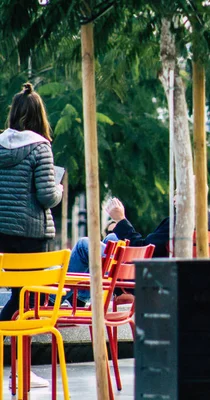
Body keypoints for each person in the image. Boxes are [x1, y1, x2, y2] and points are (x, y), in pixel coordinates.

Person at [0, 83, 63, 388]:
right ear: (40, 116)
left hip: (2, 235)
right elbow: (47, 196)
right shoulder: (41, 147)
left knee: (13, 295)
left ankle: (17, 369)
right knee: (28, 300)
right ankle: (21, 370)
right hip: (29, 236)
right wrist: (60, 188)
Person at [66, 197, 210, 305]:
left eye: (178, 193)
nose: (174, 199)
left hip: (147, 276)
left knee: (83, 245)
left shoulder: (180, 222)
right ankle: (82, 298)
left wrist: (121, 220)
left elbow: (142, 248)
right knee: (112, 237)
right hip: (174, 277)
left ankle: (54, 299)